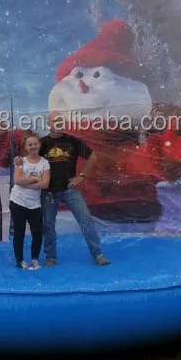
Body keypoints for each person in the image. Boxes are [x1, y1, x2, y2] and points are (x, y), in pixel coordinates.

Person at [39, 111, 110, 266]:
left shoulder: (72, 141)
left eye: (60, 121)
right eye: (55, 120)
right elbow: (30, 161)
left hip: (69, 190)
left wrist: (82, 175)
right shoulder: (41, 143)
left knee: (86, 220)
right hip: (48, 192)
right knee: (48, 225)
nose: (58, 123)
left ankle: (98, 254)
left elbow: (92, 156)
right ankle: (50, 256)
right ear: (48, 123)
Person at [9, 133, 50, 270]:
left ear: (39, 145)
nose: (33, 146)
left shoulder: (44, 163)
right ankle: (20, 260)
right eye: (30, 145)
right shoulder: (21, 161)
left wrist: (27, 182)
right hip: (18, 202)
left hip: (34, 204)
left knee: (37, 233)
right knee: (19, 232)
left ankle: (35, 259)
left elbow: (45, 184)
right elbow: (17, 180)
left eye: (35, 144)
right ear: (26, 147)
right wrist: (36, 179)